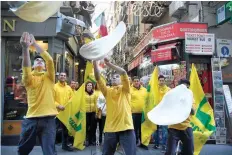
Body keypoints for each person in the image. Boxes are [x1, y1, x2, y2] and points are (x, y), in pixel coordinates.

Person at [18, 32, 58, 155]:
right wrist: (25, 48)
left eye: (41, 60)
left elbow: (50, 60)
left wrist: (34, 44)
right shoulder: (28, 79)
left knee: (49, 152)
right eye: (37, 61)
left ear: (45, 66)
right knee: (22, 151)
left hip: (49, 120)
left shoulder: (49, 77)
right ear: (33, 65)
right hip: (31, 120)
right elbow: (26, 67)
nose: (40, 61)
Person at [93, 58, 136, 155]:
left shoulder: (126, 89)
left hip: (126, 127)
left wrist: (109, 64)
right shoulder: (107, 91)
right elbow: (97, 77)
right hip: (110, 129)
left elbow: (123, 72)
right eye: (112, 77)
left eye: (116, 76)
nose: (114, 78)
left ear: (121, 79)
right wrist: (94, 61)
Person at [165, 79, 195, 155]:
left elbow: (193, 112)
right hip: (173, 127)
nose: (185, 89)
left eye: (187, 87)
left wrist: (187, 105)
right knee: (170, 152)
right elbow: (166, 107)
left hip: (186, 126)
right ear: (178, 87)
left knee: (189, 151)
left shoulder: (190, 97)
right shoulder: (171, 94)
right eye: (184, 87)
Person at [54, 72, 73, 151]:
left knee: (65, 130)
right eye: (61, 75)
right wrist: (58, 105)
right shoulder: (54, 87)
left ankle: (65, 145)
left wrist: (68, 104)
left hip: (65, 113)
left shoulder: (69, 88)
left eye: (64, 76)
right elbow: (51, 99)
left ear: (66, 77)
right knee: (53, 131)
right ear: (58, 77)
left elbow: (72, 98)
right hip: (56, 113)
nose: (63, 77)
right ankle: (51, 147)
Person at [153, 75, 171, 151]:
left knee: (164, 129)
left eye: (163, 80)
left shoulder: (168, 89)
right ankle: (156, 144)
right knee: (155, 129)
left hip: (164, 112)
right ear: (158, 81)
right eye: (160, 80)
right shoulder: (154, 89)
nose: (161, 82)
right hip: (156, 112)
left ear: (164, 81)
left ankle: (164, 145)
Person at [130, 76, 147, 146]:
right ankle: (135, 142)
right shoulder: (130, 90)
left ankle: (143, 143)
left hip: (143, 114)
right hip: (133, 113)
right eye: (135, 81)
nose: (136, 82)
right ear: (133, 82)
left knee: (142, 129)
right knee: (134, 129)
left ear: (139, 81)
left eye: (137, 81)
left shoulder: (144, 90)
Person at [85, 81, 98, 146]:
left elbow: (96, 103)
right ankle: (87, 140)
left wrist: (96, 112)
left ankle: (92, 140)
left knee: (93, 127)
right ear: (86, 86)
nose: (89, 86)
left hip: (93, 112)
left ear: (92, 86)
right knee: (86, 127)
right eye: (88, 85)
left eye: (90, 85)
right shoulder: (83, 94)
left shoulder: (94, 94)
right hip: (86, 113)